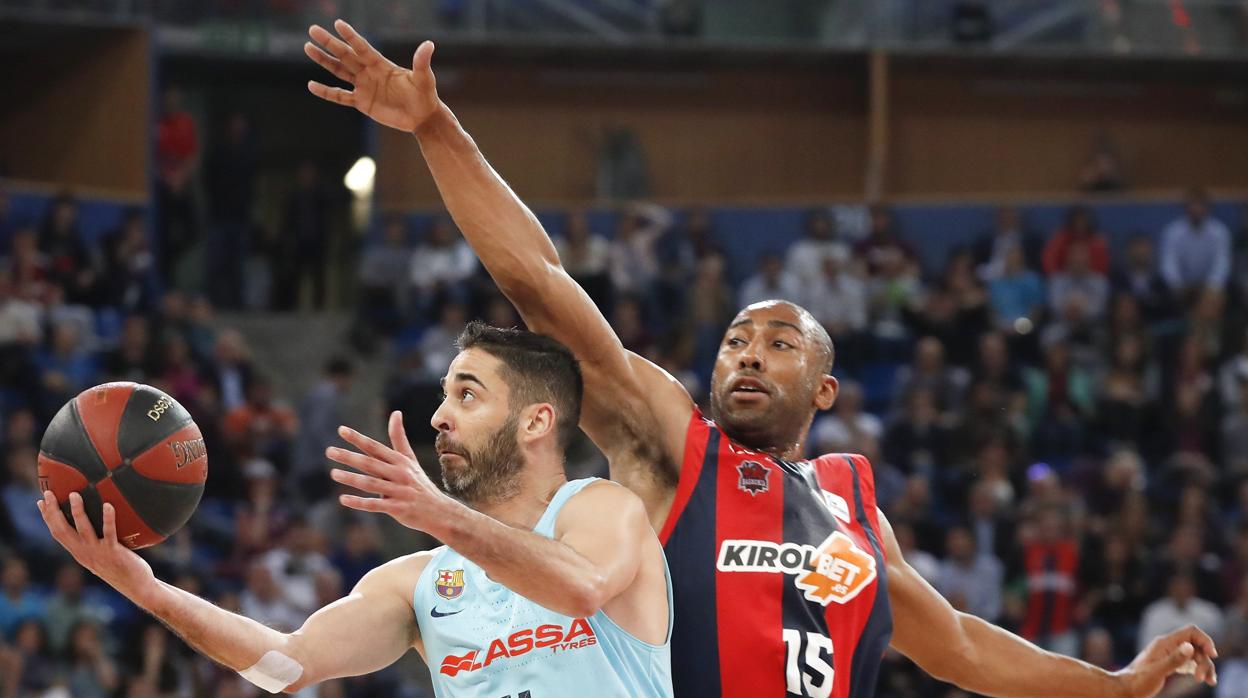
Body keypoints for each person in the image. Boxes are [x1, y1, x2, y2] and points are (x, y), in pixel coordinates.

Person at [304, 19, 1221, 696]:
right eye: (736, 340)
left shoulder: (853, 503)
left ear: (823, 386)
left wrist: (1118, 685)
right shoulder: (673, 443)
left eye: (779, 344)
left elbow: (964, 648)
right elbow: (543, 286)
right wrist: (436, 132)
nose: (747, 355)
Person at [39, 321, 673, 698]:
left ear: (537, 420)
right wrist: (146, 589)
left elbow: (582, 588)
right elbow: (284, 665)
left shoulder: (600, 509)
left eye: (468, 395)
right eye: (442, 395)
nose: (439, 416)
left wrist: (437, 514)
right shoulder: (415, 582)